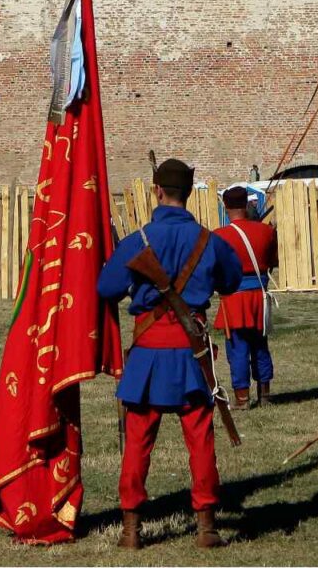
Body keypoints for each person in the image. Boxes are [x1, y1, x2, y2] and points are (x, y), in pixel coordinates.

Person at [97, 158, 243, 549]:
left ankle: (131, 530)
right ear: (190, 192)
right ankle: (207, 526)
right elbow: (230, 281)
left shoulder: (138, 240)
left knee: (137, 443)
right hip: (191, 355)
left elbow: (107, 287)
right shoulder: (209, 240)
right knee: (200, 441)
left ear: (157, 190)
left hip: (148, 355)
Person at [213, 186, 278, 409]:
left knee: (237, 348)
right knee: (260, 345)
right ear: (247, 204)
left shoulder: (219, 236)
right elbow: (272, 262)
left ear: (226, 206)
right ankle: (265, 396)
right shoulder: (266, 231)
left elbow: (214, 269)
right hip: (258, 296)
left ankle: (242, 399)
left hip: (234, 298)